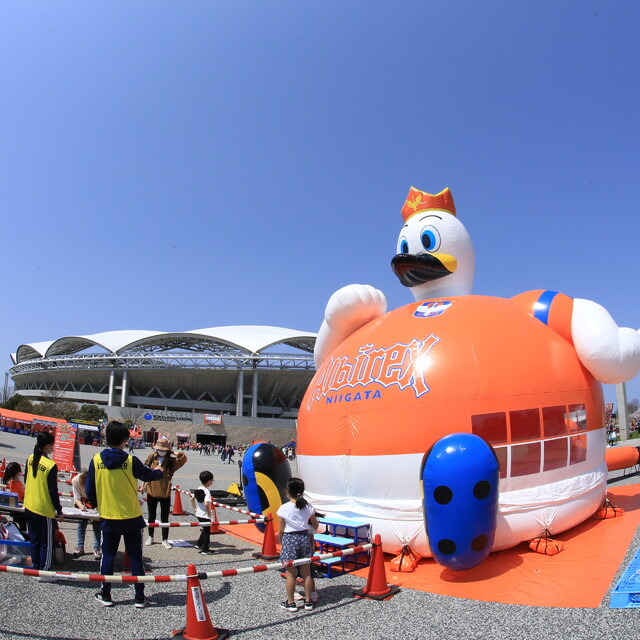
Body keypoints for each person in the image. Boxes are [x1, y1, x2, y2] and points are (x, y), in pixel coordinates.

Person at [86, 420, 163, 608]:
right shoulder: (130, 461)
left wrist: (96, 504)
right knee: (135, 558)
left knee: (108, 556)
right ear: (124, 440)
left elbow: (89, 488)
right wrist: (160, 471)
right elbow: (148, 475)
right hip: (131, 517)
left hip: (108, 515)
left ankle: (106, 593)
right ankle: (139, 597)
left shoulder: (96, 460)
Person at [23, 431, 64, 581]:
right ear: (47, 446)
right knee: (46, 542)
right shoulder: (50, 465)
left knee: (34, 539)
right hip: (43, 508)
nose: (53, 447)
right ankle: (44, 571)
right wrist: (59, 510)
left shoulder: (31, 458)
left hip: (29, 505)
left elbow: (26, 480)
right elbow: (53, 491)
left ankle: (36, 568)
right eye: (52, 444)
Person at [276, 477, 319, 612]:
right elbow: (316, 525)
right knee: (306, 573)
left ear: (287, 492)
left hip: (290, 539)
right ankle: (308, 602)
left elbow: (281, 530)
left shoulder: (284, 508)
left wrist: (282, 541)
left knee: (290, 574)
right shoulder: (308, 507)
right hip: (304, 538)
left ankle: (291, 603)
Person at [142, 437, 187, 549]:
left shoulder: (171, 461)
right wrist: (143, 485)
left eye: (163, 449)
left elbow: (183, 458)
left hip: (165, 492)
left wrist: (173, 452)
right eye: (159, 449)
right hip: (152, 491)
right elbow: (145, 470)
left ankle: (165, 539)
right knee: (151, 516)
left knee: (164, 517)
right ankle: (150, 536)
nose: (161, 451)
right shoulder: (152, 457)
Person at [71, 468, 102, 559]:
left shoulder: (98, 481)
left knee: (97, 525)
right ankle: (80, 546)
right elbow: (76, 498)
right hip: (82, 503)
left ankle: (97, 548)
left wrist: (98, 506)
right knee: (81, 523)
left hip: (95, 503)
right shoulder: (76, 481)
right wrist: (81, 506)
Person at [191, 470, 214, 555]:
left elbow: (192, 499)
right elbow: (207, 504)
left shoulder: (199, 489)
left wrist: (195, 508)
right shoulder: (206, 491)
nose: (212, 482)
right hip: (205, 515)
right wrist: (209, 513)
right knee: (207, 531)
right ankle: (205, 549)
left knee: (204, 529)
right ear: (208, 481)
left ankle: (199, 544)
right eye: (212, 480)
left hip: (199, 513)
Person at [4, 462, 27, 533]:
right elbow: (18, 499)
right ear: (17, 473)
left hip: (19, 508)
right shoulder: (14, 484)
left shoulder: (17, 482)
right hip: (19, 509)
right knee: (22, 525)